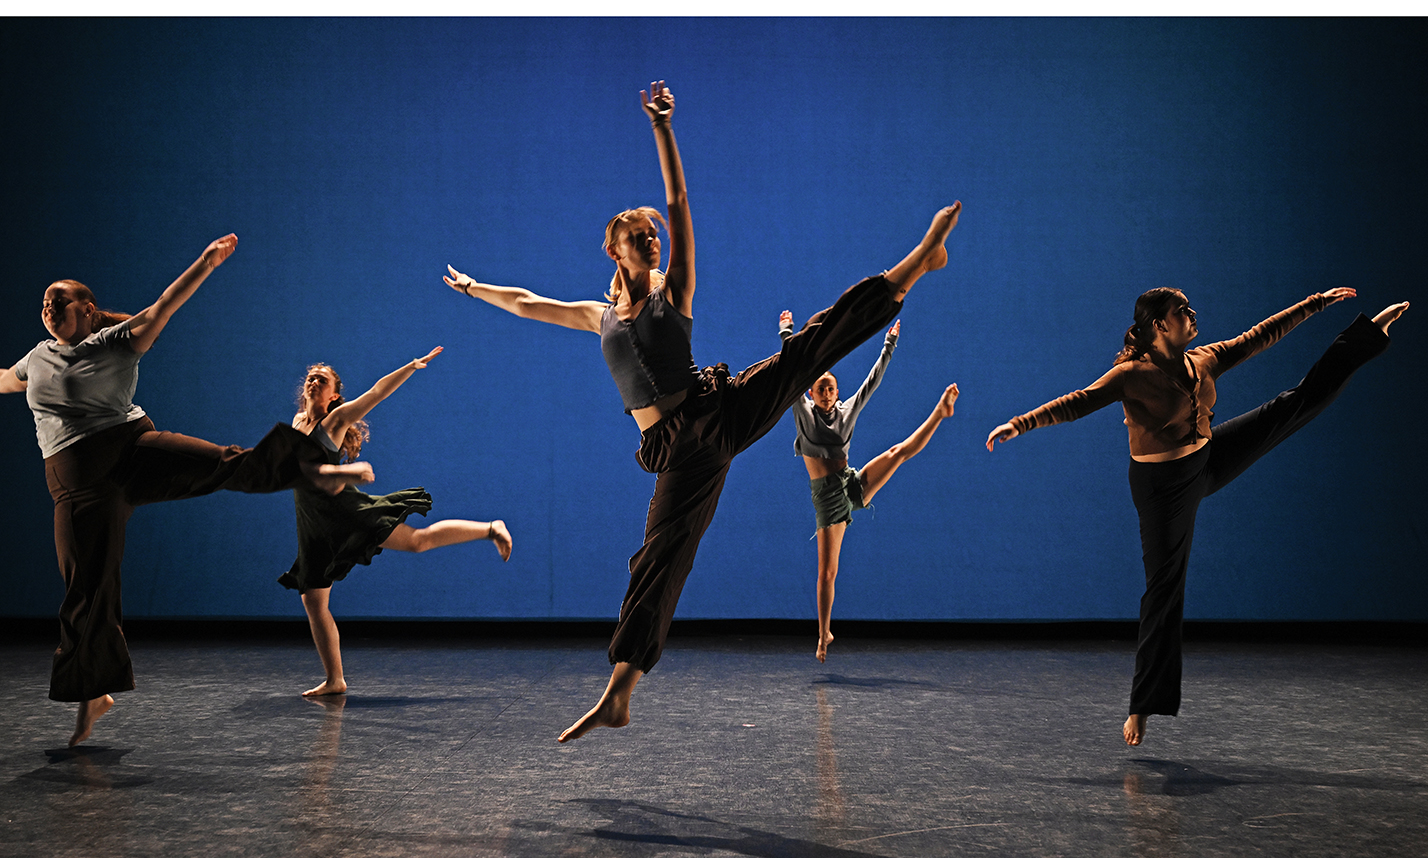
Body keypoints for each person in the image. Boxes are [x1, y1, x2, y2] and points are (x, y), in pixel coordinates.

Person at [444, 80, 962, 741]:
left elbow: (679, 201)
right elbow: (524, 301)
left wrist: (663, 128)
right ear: (614, 250)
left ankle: (915, 264)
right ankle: (621, 690)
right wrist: (473, 288)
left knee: (806, 350)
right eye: (639, 236)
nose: (652, 241)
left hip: (718, 412)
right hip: (680, 450)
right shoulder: (598, 316)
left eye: (653, 237)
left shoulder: (673, 293)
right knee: (659, 557)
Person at [986, 286, 1407, 746]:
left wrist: (1317, 302)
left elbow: (1261, 336)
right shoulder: (1130, 375)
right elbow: (1076, 402)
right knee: (1164, 589)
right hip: (1162, 490)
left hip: (1207, 459)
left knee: (1292, 405)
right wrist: (1020, 423)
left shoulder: (1203, 360)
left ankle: (1368, 336)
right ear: (1159, 326)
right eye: (1180, 310)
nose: (1191, 313)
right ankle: (1143, 705)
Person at [0, 234, 371, 746]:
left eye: (58, 302)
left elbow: (164, 307)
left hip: (131, 450)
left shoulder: (114, 341)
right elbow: (4, 379)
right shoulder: (37, 357)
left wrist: (205, 263)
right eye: (43, 303)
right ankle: (94, 695)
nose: (47, 309)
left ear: (86, 310)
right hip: (78, 483)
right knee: (87, 589)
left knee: (222, 463)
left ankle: (314, 469)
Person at [283, 350, 513, 696]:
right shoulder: (297, 422)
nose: (313, 381)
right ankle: (335, 679)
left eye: (322, 379)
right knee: (314, 602)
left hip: (346, 513)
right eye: (311, 378)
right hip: (313, 521)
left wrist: (411, 367)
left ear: (334, 395)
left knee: (418, 541)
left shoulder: (336, 420)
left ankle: (491, 527)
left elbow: (376, 392)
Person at [777, 313, 959, 661]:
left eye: (831, 388)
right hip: (828, 500)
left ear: (837, 391)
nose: (827, 394)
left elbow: (872, 382)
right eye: (820, 390)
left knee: (897, 453)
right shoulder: (803, 412)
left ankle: (939, 413)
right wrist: (787, 332)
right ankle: (822, 633)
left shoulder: (847, 409)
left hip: (850, 484)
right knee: (828, 572)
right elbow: (789, 371)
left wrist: (889, 344)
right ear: (811, 394)